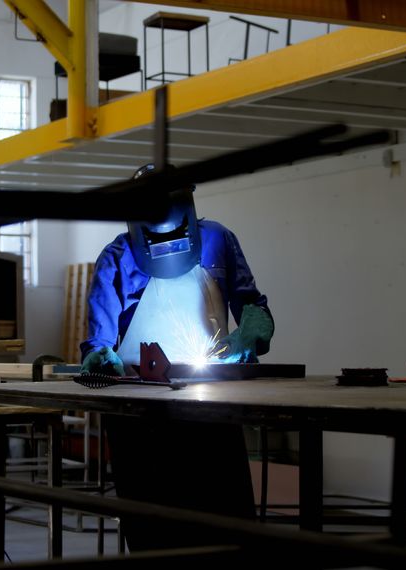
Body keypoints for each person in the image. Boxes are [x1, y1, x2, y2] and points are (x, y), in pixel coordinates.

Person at [79, 163, 275, 551]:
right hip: (141, 410)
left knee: (224, 522)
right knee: (154, 528)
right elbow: (98, 340)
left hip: (211, 402)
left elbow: (252, 305)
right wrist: (101, 359)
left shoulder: (218, 240)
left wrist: (252, 329)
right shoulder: (117, 256)